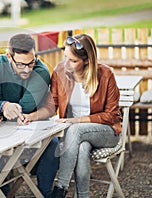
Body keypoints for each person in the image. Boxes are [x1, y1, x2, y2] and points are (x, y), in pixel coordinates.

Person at [22, 34, 122, 197]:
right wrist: (31, 116)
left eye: (73, 61)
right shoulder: (60, 72)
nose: (66, 64)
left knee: (76, 130)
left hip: (106, 132)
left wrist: (77, 121)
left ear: (87, 61)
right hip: (74, 138)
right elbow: (51, 106)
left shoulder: (105, 74)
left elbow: (112, 115)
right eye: (65, 57)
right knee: (82, 148)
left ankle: (60, 188)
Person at [0, 33, 59, 197]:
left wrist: (2, 108)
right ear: (8, 57)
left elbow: (26, 106)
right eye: (21, 64)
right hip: (2, 126)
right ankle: (2, 194)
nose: (27, 69)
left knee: (53, 144)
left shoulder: (41, 71)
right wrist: (4, 105)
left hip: (34, 125)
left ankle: (45, 193)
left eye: (31, 62)